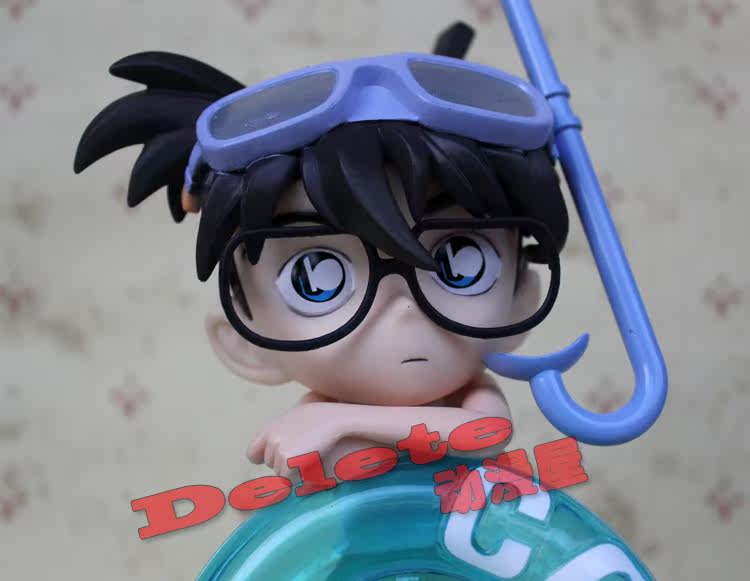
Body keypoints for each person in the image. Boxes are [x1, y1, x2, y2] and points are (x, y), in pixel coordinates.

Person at [74, 44, 568, 480]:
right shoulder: (315, 416)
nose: (403, 309)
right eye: (317, 278)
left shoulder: (420, 405)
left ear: (523, 296)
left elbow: (482, 433)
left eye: (459, 263)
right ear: (245, 342)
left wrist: (343, 422)